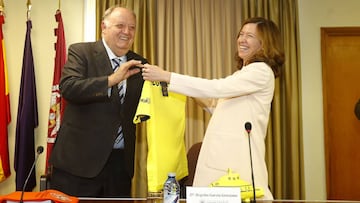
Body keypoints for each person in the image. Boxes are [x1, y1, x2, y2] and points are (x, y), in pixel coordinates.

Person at [141, 17, 285, 200]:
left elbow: (217, 88)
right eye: (241, 34)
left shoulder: (261, 71)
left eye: (249, 36)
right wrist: (187, 90)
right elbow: (217, 107)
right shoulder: (244, 74)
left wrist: (168, 77)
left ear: (264, 43)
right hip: (220, 162)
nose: (242, 39)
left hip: (234, 164)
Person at [49, 6, 148, 197]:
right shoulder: (81, 52)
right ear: (104, 26)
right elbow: (69, 88)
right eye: (120, 25)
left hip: (120, 168)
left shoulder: (140, 63)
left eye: (132, 27)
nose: (127, 32)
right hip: (78, 165)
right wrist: (112, 80)